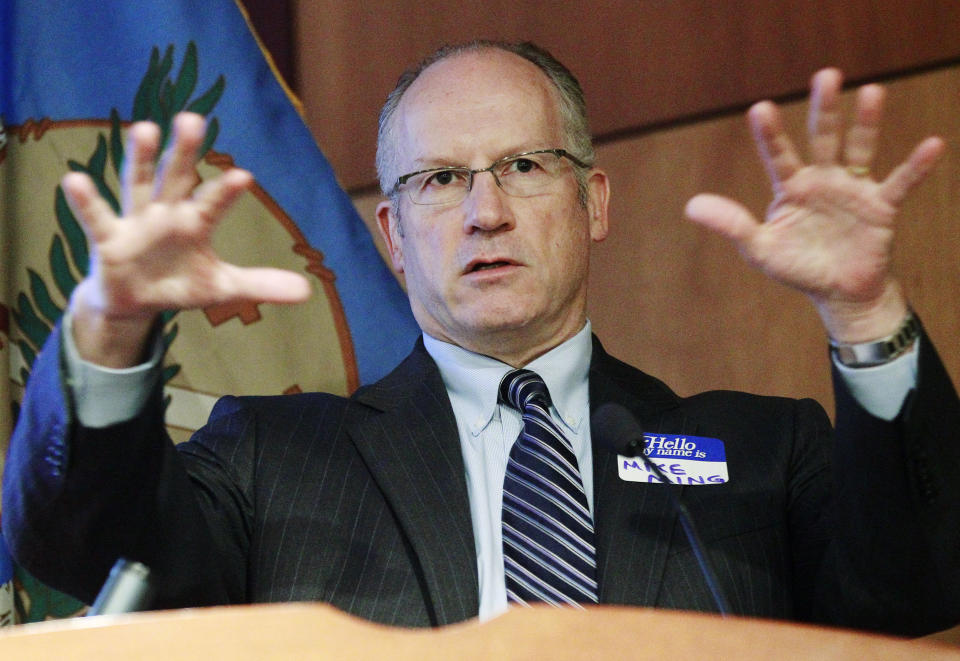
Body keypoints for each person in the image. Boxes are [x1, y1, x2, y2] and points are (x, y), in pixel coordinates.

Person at [3, 40, 959, 635]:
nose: (485, 212)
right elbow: (81, 547)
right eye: (439, 180)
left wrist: (867, 314)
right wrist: (114, 325)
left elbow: (920, 588)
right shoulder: (271, 457)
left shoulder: (761, 451)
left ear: (592, 203)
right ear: (395, 236)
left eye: (525, 165)